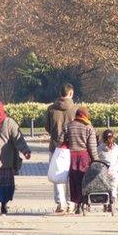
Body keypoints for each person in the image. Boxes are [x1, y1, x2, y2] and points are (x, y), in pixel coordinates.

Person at [58, 107, 99, 214]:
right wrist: (96, 160)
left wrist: (67, 143)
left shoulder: (68, 126)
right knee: (84, 180)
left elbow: (60, 141)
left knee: (73, 180)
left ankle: (76, 204)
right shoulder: (88, 127)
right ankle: (84, 203)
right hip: (84, 157)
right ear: (85, 115)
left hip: (71, 157)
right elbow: (92, 147)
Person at [45, 83, 78, 213]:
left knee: (57, 175)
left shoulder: (51, 109)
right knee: (71, 175)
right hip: (72, 147)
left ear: (60, 93)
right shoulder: (76, 109)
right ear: (71, 93)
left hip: (55, 146)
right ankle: (71, 202)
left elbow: (47, 127)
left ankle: (60, 203)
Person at [97, 129, 118, 210]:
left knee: (104, 186)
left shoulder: (100, 148)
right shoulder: (116, 148)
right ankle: (113, 196)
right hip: (113, 172)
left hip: (103, 172)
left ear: (103, 138)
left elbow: (95, 157)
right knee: (113, 186)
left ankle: (105, 202)